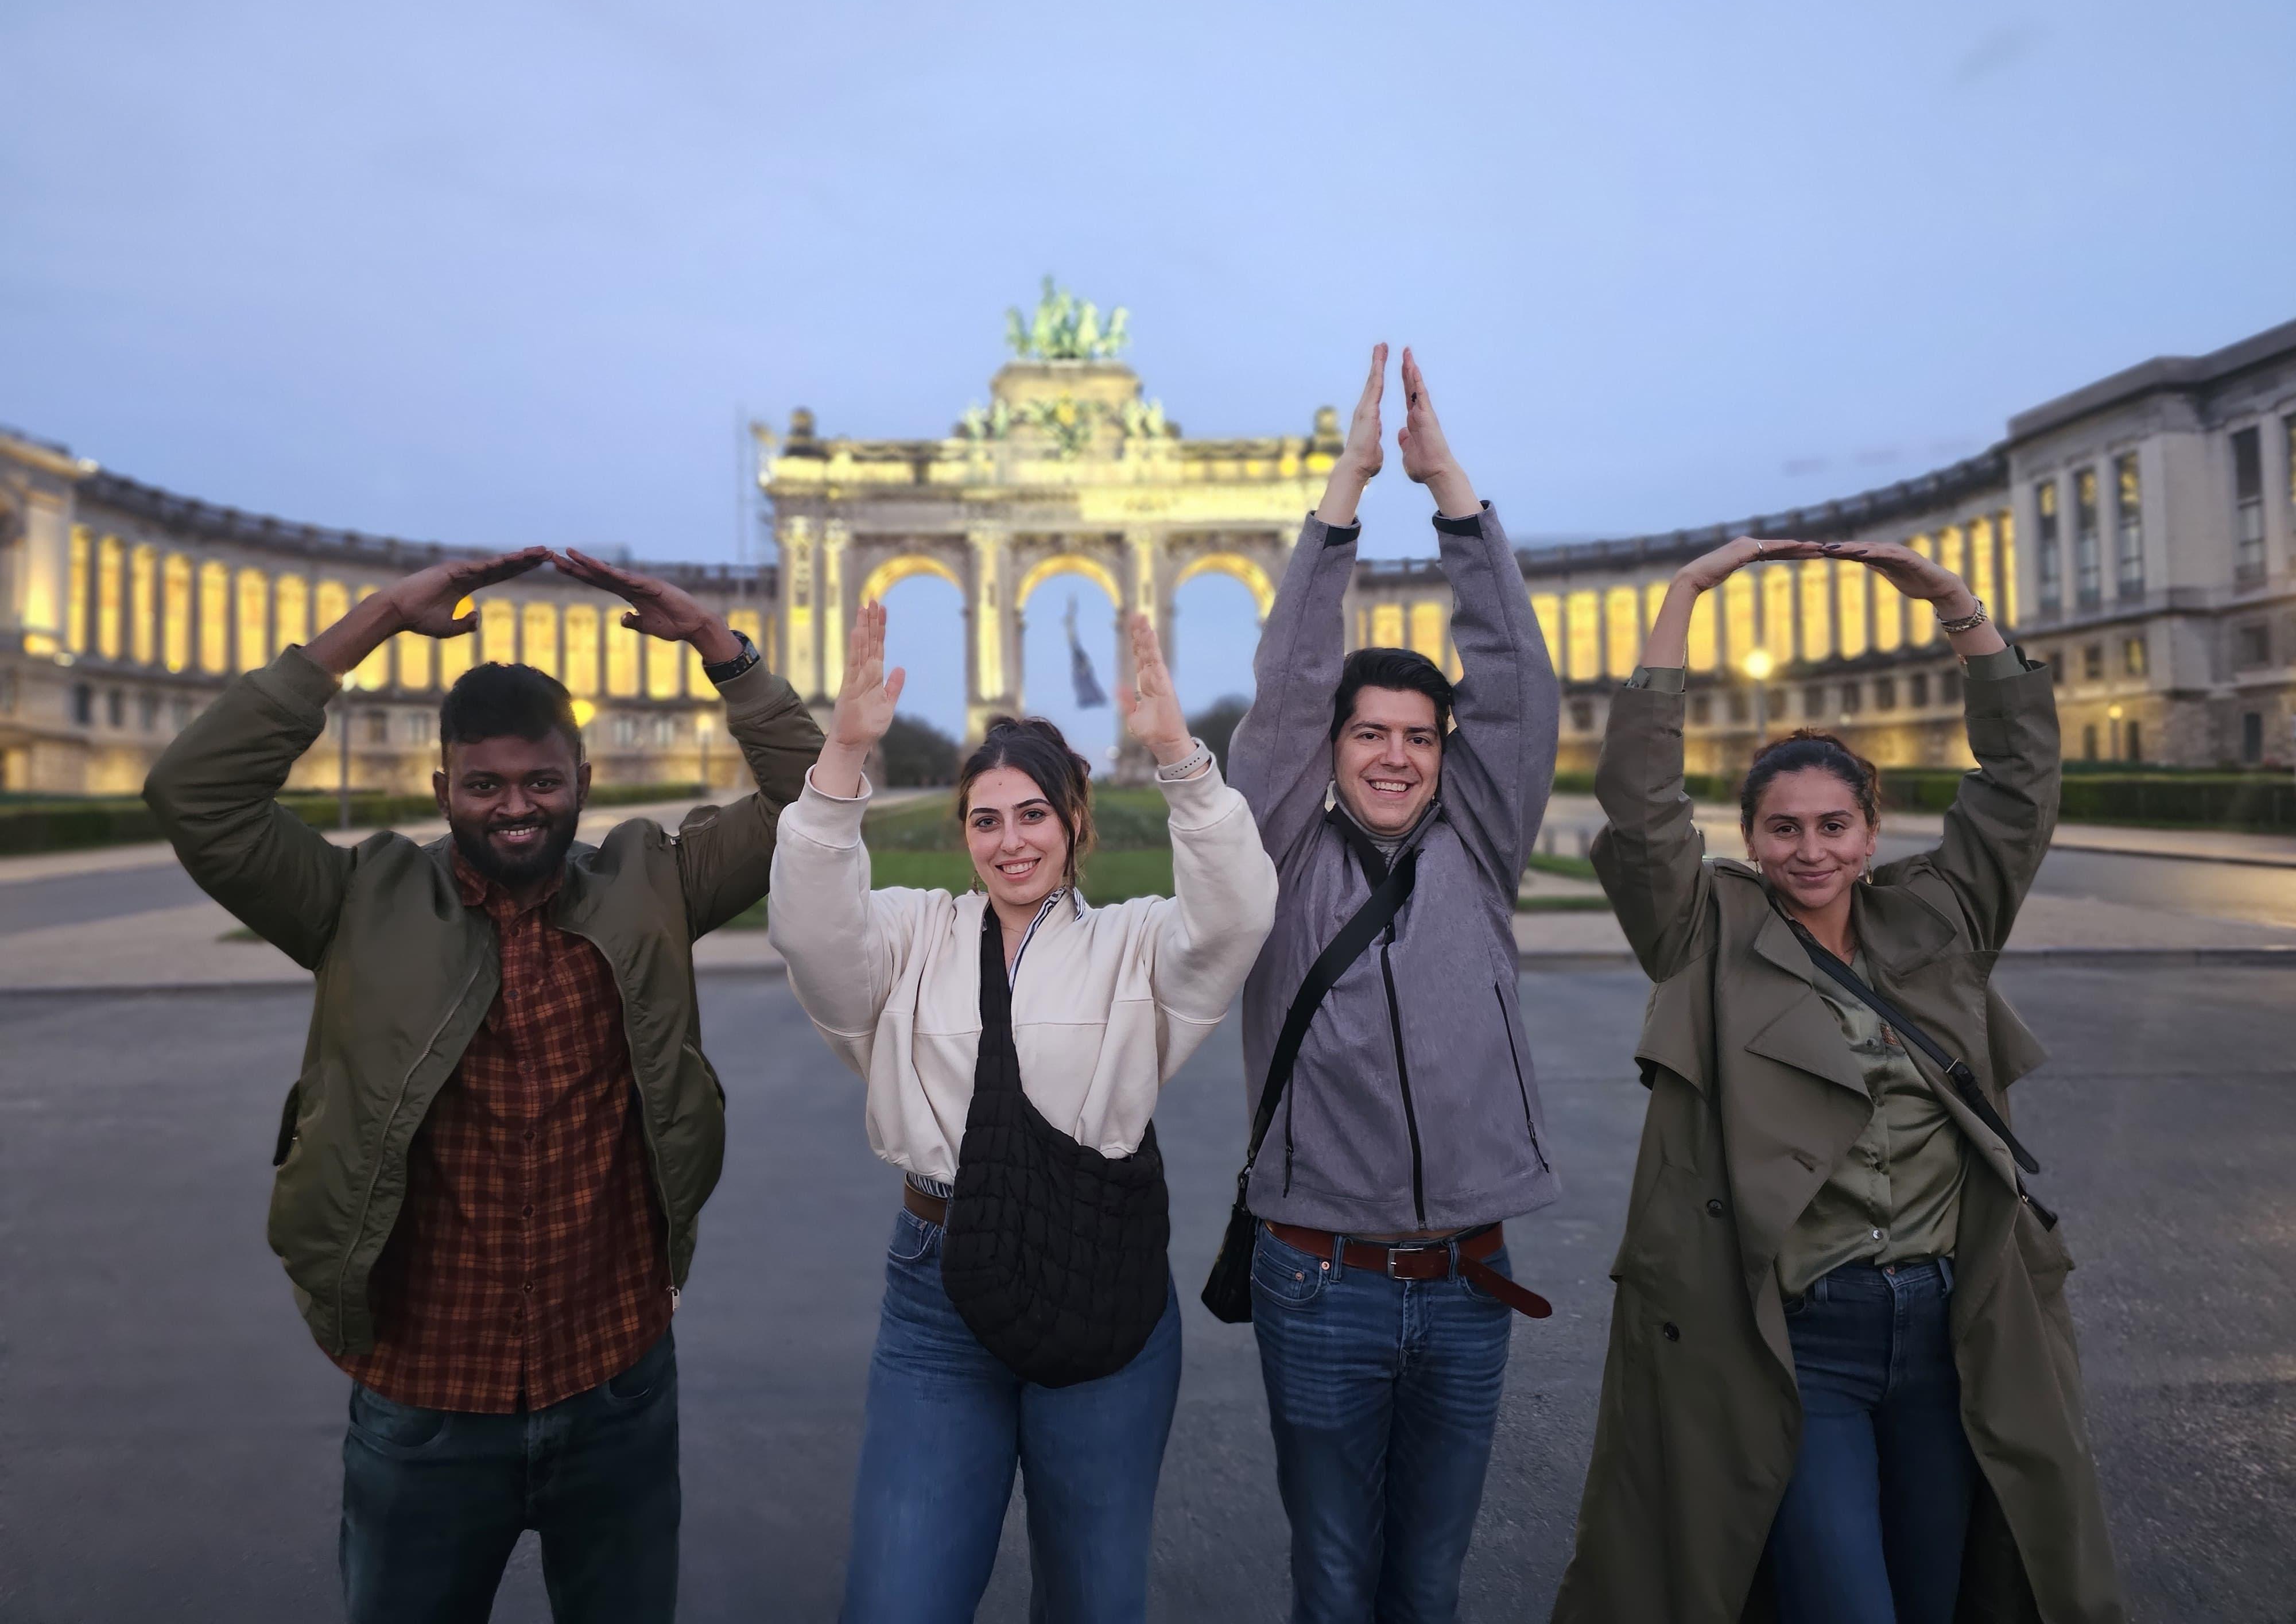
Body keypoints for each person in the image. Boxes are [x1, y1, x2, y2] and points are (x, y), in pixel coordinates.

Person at [143, 546, 821, 1624]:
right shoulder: (354, 900)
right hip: (423, 1400)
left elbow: (815, 799)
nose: (518, 808)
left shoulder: (653, 882)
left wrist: (718, 647)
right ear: (442, 788)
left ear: (583, 784)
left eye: (543, 782)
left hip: (615, 1385)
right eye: (487, 785)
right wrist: (370, 624)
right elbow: (195, 793)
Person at [1552, 534, 2126, 1623]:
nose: (1809, 852)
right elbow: (1639, 802)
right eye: (1783, 830)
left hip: (1956, 1328)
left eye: (1833, 826)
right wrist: (1681, 600)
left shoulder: (1942, 916)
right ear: (1751, 838)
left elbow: (2019, 788)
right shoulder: (1703, 933)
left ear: (1870, 832)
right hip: (1802, 1341)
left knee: (1939, 1593)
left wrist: (1958, 607)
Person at [767, 601, 1278, 1624]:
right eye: (986, 819)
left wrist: (1181, 756)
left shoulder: (1136, 944)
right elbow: (814, 937)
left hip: (1099, 1280)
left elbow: (1238, 914)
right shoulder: (912, 933)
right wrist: (841, 765)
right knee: (897, 1603)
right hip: (937, 1285)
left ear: (1074, 820)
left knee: (1094, 1601)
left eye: (1033, 814)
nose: (1010, 843)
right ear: (963, 834)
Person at [1224, 344, 1561, 1623]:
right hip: (1316, 1281)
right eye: (1368, 732)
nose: (1394, 755)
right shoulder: (1276, 852)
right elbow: (1284, 690)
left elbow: (1518, 691)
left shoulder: (1477, 846)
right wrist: (1345, 493)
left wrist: (1454, 500)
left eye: (1419, 738)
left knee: (1428, 1585)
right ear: (1331, 746)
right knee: (1332, 1576)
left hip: (1471, 1280)